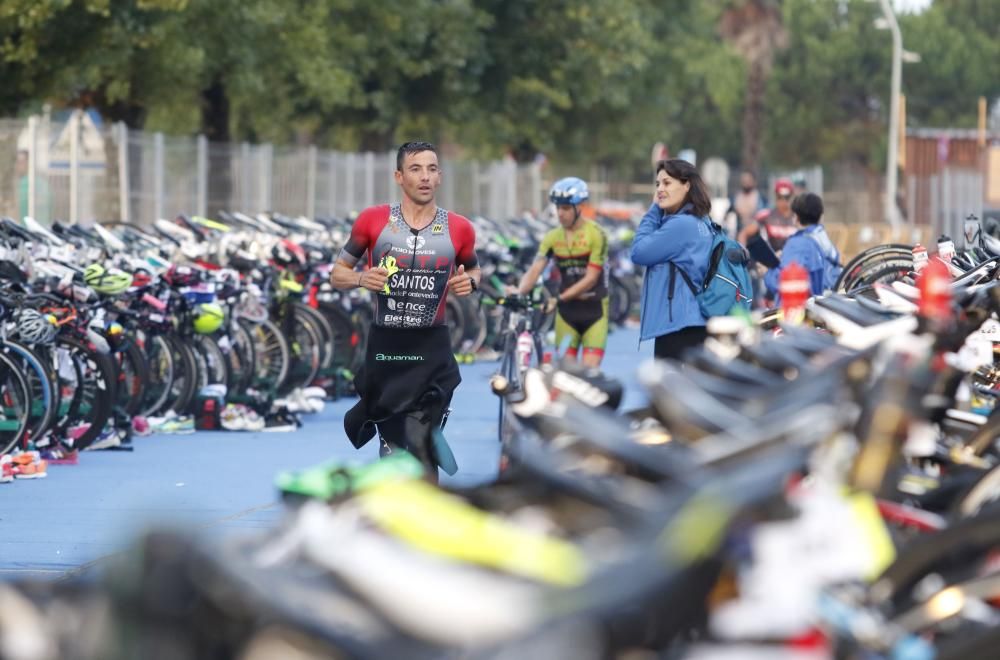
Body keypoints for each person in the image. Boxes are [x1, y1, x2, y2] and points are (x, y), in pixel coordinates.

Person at [331, 141, 480, 479]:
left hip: (431, 348)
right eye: (415, 169)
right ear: (399, 176)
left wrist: (469, 282)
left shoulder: (459, 228)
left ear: (440, 177)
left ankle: (425, 515)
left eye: (431, 169)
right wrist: (360, 278)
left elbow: (474, 269)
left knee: (421, 439)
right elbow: (336, 274)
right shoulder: (372, 221)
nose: (424, 176)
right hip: (388, 350)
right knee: (394, 445)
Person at [515, 177, 610, 368]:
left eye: (566, 208)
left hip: (595, 311)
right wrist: (518, 294)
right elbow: (534, 271)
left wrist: (558, 299)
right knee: (565, 376)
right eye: (557, 207)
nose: (560, 213)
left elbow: (591, 279)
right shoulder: (552, 237)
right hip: (567, 315)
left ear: (580, 206)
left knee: (588, 376)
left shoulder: (596, 234)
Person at [631, 159, 714, 361]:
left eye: (667, 183)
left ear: (686, 185)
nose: (660, 189)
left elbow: (639, 252)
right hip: (695, 321)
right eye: (657, 184)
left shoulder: (680, 226)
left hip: (679, 326)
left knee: (670, 389)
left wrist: (654, 208)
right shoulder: (702, 221)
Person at [764, 193, 842, 301]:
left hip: (800, 310)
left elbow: (786, 284)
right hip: (823, 304)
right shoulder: (823, 238)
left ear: (796, 217)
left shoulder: (798, 244)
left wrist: (768, 271)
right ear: (820, 216)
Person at [738, 178, 797, 252]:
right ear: (775, 196)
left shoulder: (799, 217)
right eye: (780, 197)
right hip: (772, 260)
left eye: (787, 197)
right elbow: (744, 234)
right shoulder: (766, 216)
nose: (783, 201)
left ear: (792, 196)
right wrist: (743, 252)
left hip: (794, 260)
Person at [729, 170, 765, 236]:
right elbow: (728, 215)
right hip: (738, 234)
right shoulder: (735, 198)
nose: (745, 183)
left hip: (755, 235)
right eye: (744, 180)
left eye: (748, 180)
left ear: (754, 182)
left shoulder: (760, 199)